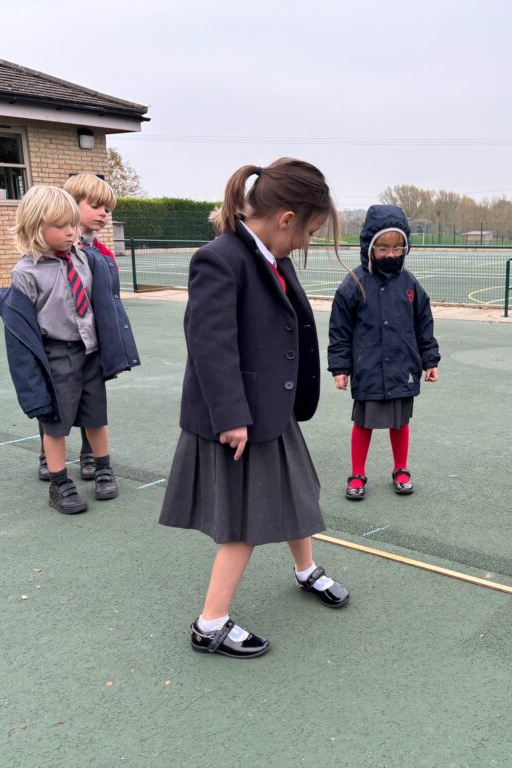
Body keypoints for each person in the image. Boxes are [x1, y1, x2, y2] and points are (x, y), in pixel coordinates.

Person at [158, 158, 350, 659]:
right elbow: (209, 345)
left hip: (272, 407)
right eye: (308, 230)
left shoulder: (271, 255)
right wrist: (231, 417)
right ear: (286, 218)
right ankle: (210, 624)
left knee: (299, 493)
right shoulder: (220, 259)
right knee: (242, 525)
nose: (306, 243)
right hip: (238, 418)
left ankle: (306, 570)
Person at [0, 185, 138, 514]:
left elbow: (105, 307)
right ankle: (58, 483)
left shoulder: (85, 259)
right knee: (55, 421)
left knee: (96, 416)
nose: (71, 232)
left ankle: (103, 468)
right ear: (35, 229)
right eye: (61, 226)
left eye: (72, 224)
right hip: (56, 355)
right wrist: (32, 382)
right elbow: (20, 334)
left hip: (89, 352)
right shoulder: (25, 273)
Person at [328, 204, 440, 500]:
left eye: (397, 247)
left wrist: (430, 360)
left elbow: (423, 324)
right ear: (369, 246)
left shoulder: (410, 284)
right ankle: (357, 473)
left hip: (402, 367)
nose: (391, 254)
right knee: (363, 423)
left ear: (406, 246)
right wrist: (341, 367)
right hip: (368, 369)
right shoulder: (354, 284)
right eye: (383, 248)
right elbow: (340, 329)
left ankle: (401, 469)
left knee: (400, 422)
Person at [34, 173, 135, 482]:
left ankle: (89, 452)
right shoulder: (54, 252)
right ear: (70, 206)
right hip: (60, 341)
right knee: (56, 397)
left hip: (91, 338)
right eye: (95, 206)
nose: (104, 214)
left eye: (108, 208)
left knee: (91, 398)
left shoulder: (100, 254)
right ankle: (46, 453)